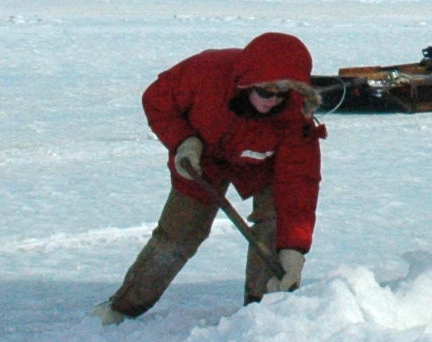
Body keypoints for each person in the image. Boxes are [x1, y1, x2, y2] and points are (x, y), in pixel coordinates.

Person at [94, 33, 324, 323]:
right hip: (202, 158)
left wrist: (293, 248)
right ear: (248, 82)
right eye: (265, 92)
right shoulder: (207, 73)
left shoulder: (296, 116)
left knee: (276, 229)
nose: (272, 101)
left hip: (265, 168)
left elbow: (299, 184)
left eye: (281, 95)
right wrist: (184, 141)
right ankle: (122, 309)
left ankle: (265, 315)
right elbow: (157, 100)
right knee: (178, 235)